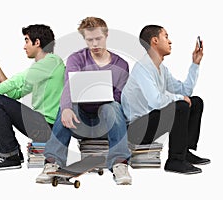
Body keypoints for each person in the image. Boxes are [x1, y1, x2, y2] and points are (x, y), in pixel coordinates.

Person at [36, 17, 132, 185]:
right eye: (90, 40)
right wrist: (66, 108)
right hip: (79, 121)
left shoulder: (121, 64)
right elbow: (69, 86)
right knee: (67, 105)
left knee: (113, 106)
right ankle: (52, 162)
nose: (94, 44)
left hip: (106, 122)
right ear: (84, 39)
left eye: (98, 39)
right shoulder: (76, 59)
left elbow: (120, 96)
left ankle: (119, 164)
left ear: (106, 35)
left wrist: (102, 96)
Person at [0, 24, 65, 171]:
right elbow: (15, 92)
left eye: (26, 41)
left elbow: (15, 81)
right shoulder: (41, 68)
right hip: (42, 125)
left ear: (37, 42)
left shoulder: (52, 61)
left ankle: (10, 155)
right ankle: (11, 153)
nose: (24, 46)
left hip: (50, 127)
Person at [121, 25, 210, 175]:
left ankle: (184, 152)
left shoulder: (162, 69)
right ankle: (174, 161)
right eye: (166, 36)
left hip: (150, 121)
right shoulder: (142, 67)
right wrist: (180, 98)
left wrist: (195, 64)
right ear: (155, 40)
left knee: (196, 102)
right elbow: (156, 101)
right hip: (136, 130)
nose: (170, 42)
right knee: (180, 105)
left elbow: (185, 91)